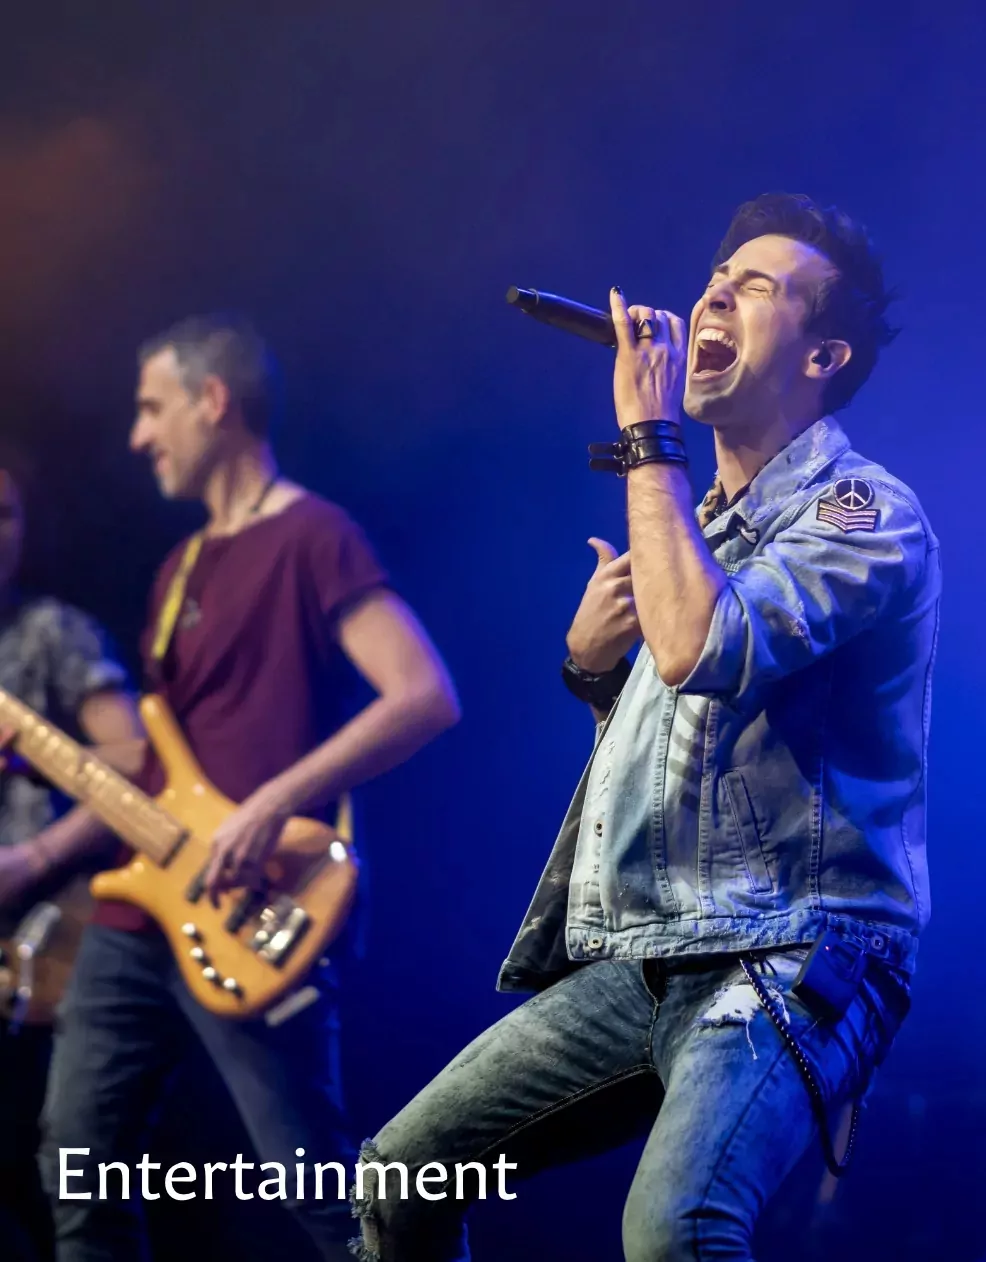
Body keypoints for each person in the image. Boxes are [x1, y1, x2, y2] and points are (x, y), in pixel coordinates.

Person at [349, 193, 941, 1261]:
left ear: (822, 356)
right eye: (716, 275)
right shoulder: (693, 526)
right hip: (659, 952)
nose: (713, 291)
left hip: (794, 950)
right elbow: (679, 754)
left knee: (675, 1229)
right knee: (401, 1177)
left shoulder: (867, 512)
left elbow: (702, 648)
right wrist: (589, 669)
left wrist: (648, 439)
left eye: (755, 288)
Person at [36, 314, 461, 1262]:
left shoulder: (314, 535)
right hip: (136, 914)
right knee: (76, 1171)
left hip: (255, 906)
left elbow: (424, 695)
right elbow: (156, 762)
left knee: (322, 1191)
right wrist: (41, 762)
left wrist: (273, 803)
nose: (138, 435)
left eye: (153, 409)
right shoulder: (176, 567)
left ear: (212, 402)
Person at [0, 444, 141, 1262]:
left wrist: (33, 858)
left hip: (39, 942)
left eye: (7, 514)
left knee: (53, 1183)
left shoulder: (52, 632)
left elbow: (134, 766)